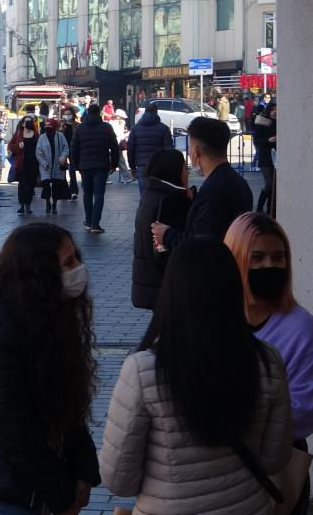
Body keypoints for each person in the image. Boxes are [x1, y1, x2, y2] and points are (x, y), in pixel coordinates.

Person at [101, 237, 292, 514]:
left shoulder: (144, 371)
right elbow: (275, 459)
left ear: (171, 292)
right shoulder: (267, 361)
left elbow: (118, 480)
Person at [0, 223, 100, 515]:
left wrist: (83, 467)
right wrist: (61, 494)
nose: (79, 268)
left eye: (76, 258)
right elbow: (13, 430)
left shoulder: (45, 320)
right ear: (40, 273)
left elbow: (64, 407)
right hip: (3, 491)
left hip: (33, 484)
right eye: (68, 262)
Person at [226, 213, 313, 515]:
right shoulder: (213, 321)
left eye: (278, 258)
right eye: (258, 257)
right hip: (217, 475)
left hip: (279, 471)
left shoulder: (300, 327)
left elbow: (304, 410)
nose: (270, 266)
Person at [151, 117, 254, 252]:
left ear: (196, 151)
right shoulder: (239, 183)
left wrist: (167, 235)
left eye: (190, 147)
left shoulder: (214, 190)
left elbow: (201, 243)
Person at [131, 149, 192, 310]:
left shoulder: (151, 194)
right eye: (185, 168)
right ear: (174, 172)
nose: (187, 173)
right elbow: (162, 248)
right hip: (164, 284)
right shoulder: (169, 201)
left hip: (151, 282)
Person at [70, 104, 119, 233]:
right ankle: (95, 224)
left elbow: (74, 148)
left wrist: (75, 165)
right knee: (99, 195)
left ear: (87, 113)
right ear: (99, 114)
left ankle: (88, 220)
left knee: (87, 194)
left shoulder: (80, 128)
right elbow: (114, 147)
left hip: (85, 166)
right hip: (101, 166)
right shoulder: (106, 128)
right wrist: (114, 164)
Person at [127, 102, 174, 193]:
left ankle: (146, 206)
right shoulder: (164, 128)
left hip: (142, 165)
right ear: (156, 112)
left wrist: (132, 166)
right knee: (159, 192)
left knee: (144, 193)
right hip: (159, 165)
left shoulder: (136, 128)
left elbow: (130, 148)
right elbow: (169, 149)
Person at [7, 115, 41, 215]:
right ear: (22, 123)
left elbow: (40, 147)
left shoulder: (36, 134)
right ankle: (21, 205)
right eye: (26, 121)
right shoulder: (18, 134)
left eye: (29, 121)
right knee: (22, 184)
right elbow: (10, 146)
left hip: (33, 163)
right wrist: (18, 146)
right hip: (21, 163)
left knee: (30, 185)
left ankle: (28, 205)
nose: (27, 123)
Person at [36, 117, 70, 215]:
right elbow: (38, 152)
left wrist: (63, 157)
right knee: (46, 185)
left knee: (56, 185)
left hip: (58, 165)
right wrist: (44, 163)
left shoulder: (60, 136)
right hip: (45, 166)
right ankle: (47, 202)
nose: (48, 129)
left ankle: (54, 204)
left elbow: (65, 148)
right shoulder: (42, 137)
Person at [252, 103, 277, 214]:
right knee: (269, 184)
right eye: (272, 110)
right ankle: (259, 207)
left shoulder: (282, 123)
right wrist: (268, 140)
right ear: (268, 111)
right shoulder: (262, 123)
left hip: (277, 157)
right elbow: (257, 141)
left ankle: (270, 209)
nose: (275, 112)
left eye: (276, 110)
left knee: (275, 186)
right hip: (266, 157)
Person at [59, 106, 81, 200]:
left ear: (73, 115)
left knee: (72, 172)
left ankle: (74, 192)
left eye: (69, 114)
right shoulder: (61, 124)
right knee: (62, 171)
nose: (67, 116)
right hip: (63, 149)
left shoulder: (77, 125)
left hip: (73, 149)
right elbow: (58, 136)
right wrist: (61, 129)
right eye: (66, 114)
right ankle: (64, 192)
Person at [108, 109, 134, 184]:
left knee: (118, 160)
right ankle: (126, 177)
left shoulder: (115, 123)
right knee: (115, 161)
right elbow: (117, 134)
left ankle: (127, 177)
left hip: (115, 143)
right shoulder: (113, 123)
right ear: (118, 117)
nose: (123, 118)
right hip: (115, 143)